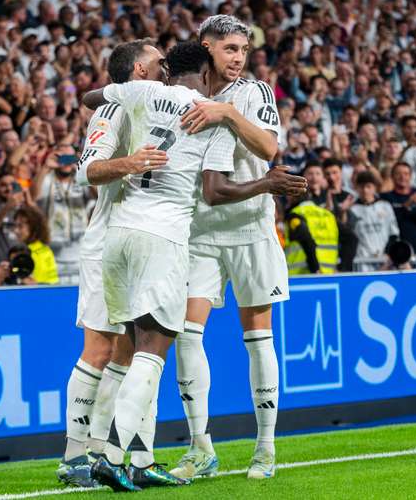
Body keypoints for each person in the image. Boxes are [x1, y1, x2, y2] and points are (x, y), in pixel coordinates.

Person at [81, 41, 304, 491]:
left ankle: (111, 454)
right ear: (205, 71)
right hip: (164, 238)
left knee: (128, 348)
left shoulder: (141, 92)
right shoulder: (208, 112)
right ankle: (110, 453)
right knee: (154, 348)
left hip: (118, 234)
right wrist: (267, 183)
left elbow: (92, 98)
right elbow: (214, 191)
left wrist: (134, 86)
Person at [167, 15, 290, 481]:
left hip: (251, 229)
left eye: (243, 50)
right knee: (185, 332)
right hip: (200, 233)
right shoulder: (182, 92)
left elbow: (269, 147)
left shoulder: (254, 93)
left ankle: (265, 447)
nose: (238, 58)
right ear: (207, 48)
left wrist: (228, 114)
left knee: (258, 340)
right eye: (229, 49)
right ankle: (200, 446)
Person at [57, 40, 168, 488]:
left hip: (142, 244)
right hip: (107, 246)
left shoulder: (155, 108)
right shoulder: (113, 109)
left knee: (135, 353)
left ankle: (128, 456)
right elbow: (86, 170)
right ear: (139, 69)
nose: (167, 68)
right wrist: (132, 162)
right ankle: (73, 457)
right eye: (160, 62)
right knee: (100, 350)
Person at [33, 141, 89, 279]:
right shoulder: (47, 179)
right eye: (62, 157)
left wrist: (83, 167)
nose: (66, 162)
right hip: (54, 254)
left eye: (70, 157)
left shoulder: (81, 179)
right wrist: (46, 167)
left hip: (80, 253)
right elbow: (33, 196)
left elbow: (98, 195)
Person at [350, 171, 400, 271]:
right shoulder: (352, 209)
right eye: (361, 187)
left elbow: (394, 234)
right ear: (357, 188)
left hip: (385, 259)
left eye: (368, 187)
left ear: (374, 188)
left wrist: (388, 253)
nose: (365, 190)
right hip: (363, 261)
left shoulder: (385, 206)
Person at [285, 198, 339, 274]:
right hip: (328, 274)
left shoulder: (295, 214)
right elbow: (352, 238)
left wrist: (315, 268)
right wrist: (343, 267)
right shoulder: (328, 215)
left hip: (302, 274)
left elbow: (306, 239)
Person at [14, 205, 59, 284]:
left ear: (33, 227)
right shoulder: (46, 249)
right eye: (15, 226)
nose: (16, 231)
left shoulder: (27, 254)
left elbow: (35, 285)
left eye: (20, 226)